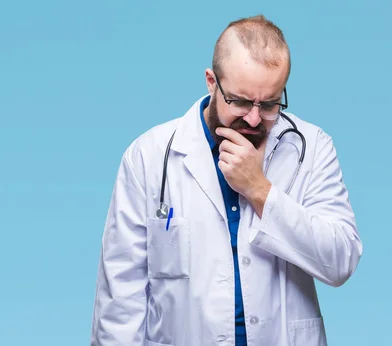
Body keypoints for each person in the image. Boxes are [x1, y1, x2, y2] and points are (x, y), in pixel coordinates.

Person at [90, 14, 363, 346]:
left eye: (270, 104)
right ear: (211, 81)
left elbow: (340, 261)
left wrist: (259, 190)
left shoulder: (312, 146)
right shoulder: (148, 157)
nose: (253, 117)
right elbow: (121, 302)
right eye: (241, 101)